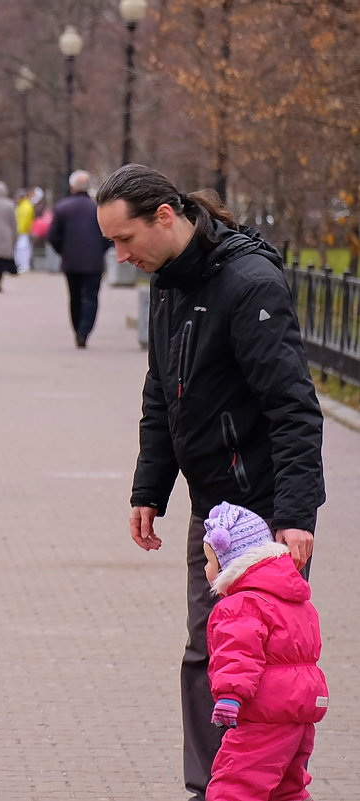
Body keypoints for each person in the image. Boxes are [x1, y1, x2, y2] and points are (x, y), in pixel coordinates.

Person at [95, 162, 325, 801]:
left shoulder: (248, 283)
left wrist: (296, 514)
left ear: (164, 218)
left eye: (125, 239)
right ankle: (215, 786)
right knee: (210, 653)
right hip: (214, 506)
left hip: (265, 510)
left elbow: (293, 407)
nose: (120, 254)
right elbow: (162, 392)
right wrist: (149, 490)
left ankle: (260, 787)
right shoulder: (167, 279)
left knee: (267, 663)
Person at [202, 502, 328, 801]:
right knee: (287, 789)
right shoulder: (294, 598)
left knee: (235, 785)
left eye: (208, 561)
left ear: (229, 562)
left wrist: (230, 696)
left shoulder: (241, 604)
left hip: (263, 714)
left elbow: (239, 653)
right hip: (299, 713)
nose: (205, 569)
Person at [47, 170, 111, 348]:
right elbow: (109, 235)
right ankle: (84, 331)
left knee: (74, 297)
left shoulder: (62, 207)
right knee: (91, 297)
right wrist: (101, 250)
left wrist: (63, 251)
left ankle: (77, 330)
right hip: (94, 262)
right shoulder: (97, 208)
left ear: (72, 187)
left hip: (71, 262)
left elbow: (53, 236)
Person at [14, 187, 36, 272]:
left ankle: (24, 265)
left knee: (22, 248)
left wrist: (19, 230)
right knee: (22, 248)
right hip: (23, 231)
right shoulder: (24, 205)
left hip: (23, 231)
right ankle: (23, 265)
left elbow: (24, 220)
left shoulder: (25, 206)